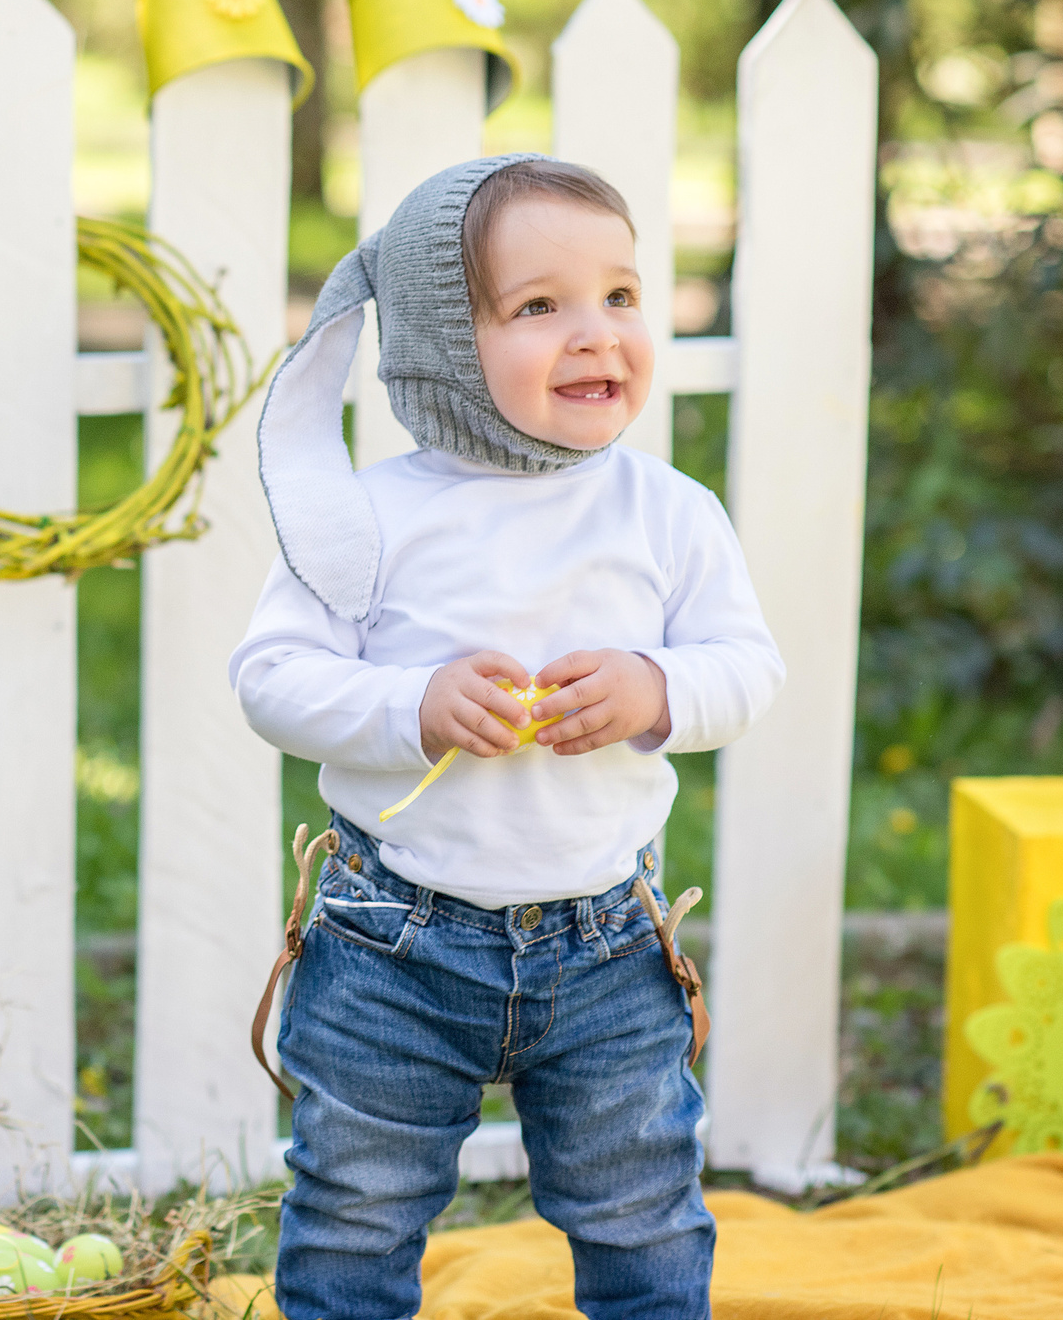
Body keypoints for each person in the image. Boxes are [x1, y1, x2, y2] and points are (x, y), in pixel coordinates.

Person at [230, 152, 785, 1320]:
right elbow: (271, 678)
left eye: (621, 296)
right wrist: (410, 706)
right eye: (540, 306)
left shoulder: (666, 511)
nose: (596, 334)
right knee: (356, 1207)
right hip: (394, 939)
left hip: (607, 944)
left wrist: (654, 687)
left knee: (641, 1205)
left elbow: (748, 670)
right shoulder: (372, 514)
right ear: (441, 340)